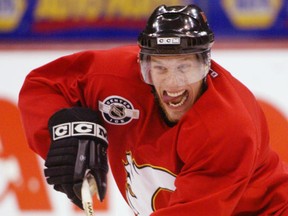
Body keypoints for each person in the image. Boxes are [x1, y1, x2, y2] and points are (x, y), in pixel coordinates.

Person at [18, 4, 288, 216]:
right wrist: (63, 133)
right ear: (143, 64)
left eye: (185, 67)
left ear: (206, 66)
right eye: (160, 68)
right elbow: (43, 85)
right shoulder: (115, 76)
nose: (173, 84)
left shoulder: (229, 127)